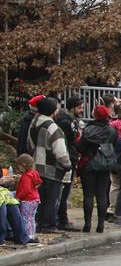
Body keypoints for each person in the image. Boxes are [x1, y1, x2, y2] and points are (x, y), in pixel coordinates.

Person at [25, 97, 72, 234]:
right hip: (52, 168)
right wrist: (67, 165)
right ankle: (48, 225)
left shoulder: (34, 123)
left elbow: (29, 145)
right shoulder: (53, 127)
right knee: (52, 199)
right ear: (52, 111)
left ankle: (39, 223)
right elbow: (60, 151)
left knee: (40, 197)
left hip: (36, 166)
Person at [77, 105, 121, 233]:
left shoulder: (88, 129)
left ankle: (87, 224)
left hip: (89, 163)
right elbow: (114, 145)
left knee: (88, 194)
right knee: (101, 194)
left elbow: (80, 147)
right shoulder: (111, 130)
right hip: (105, 164)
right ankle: (100, 225)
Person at [55, 97, 83, 231]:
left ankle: (61, 217)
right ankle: (62, 219)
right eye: (79, 107)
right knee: (64, 190)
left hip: (70, 156)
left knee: (65, 190)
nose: (81, 110)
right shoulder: (67, 122)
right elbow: (70, 141)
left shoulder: (69, 120)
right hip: (68, 158)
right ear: (72, 108)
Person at [14, 154, 42, 240]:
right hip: (35, 199)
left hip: (28, 200)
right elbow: (38, 182)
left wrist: (18, 197)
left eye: (19, 166)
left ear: (23, 165)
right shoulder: (34, 173)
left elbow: (26, 189)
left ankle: (28, 236)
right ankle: (32, 234)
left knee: (25, 218)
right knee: (31, 218)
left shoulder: (26, 176)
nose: (18, 168)